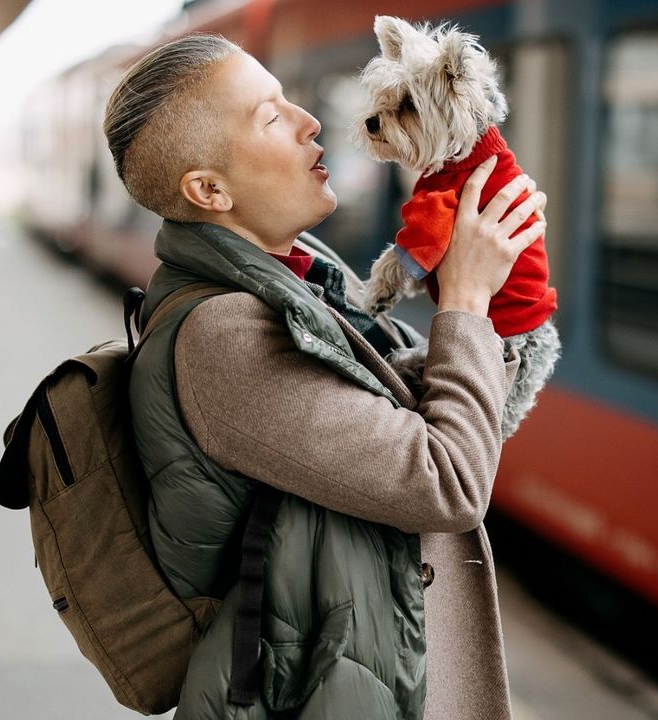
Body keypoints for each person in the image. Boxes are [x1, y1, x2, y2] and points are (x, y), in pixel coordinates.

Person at [103, 33, 548, 719]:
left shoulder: (306, 279)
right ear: (209, 189)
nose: (311, 121)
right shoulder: (223, 337)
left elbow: (431, 405)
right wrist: (466, 302)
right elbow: (447, 480)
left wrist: (497, 295)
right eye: (272, 117)